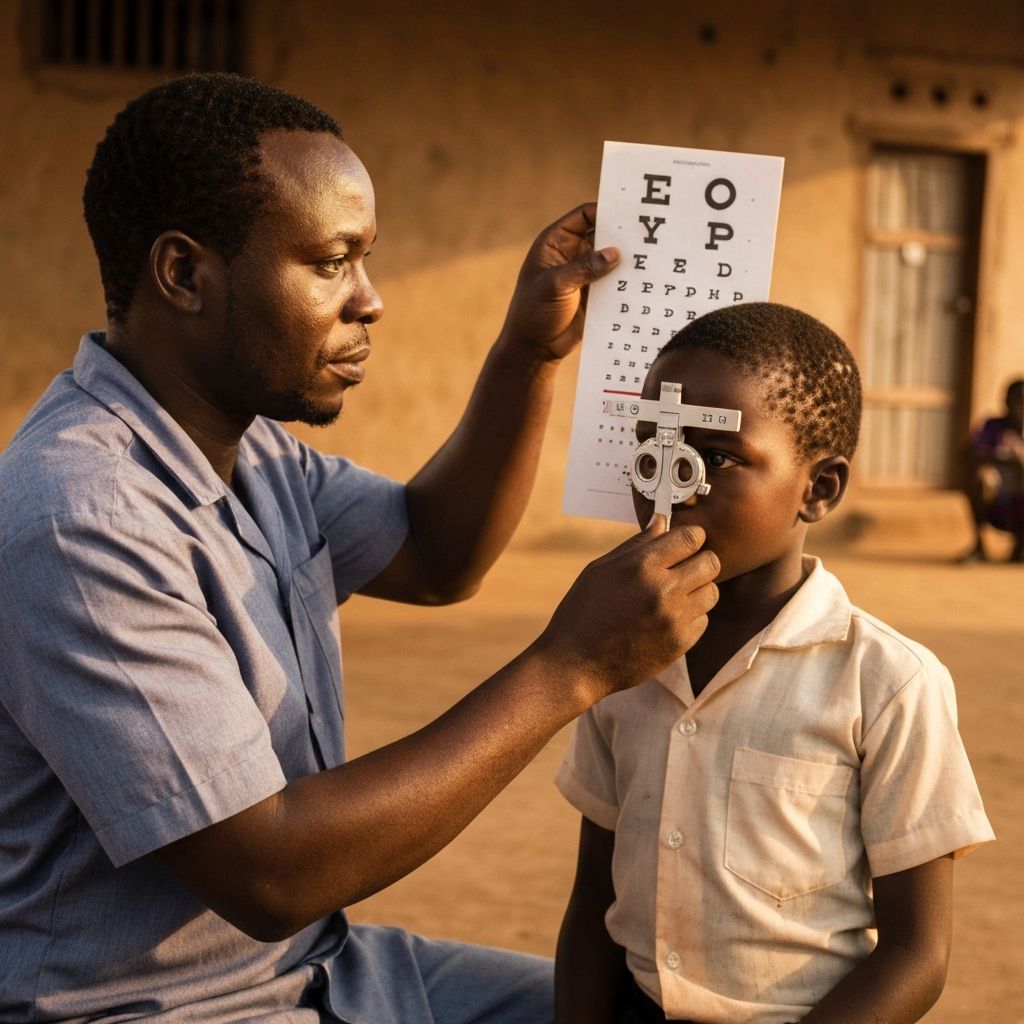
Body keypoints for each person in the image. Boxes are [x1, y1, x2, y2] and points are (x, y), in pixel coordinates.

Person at [0, 74, 722, 1023]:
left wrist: (529, 355)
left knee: (633, 1012)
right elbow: (271, 872)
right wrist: (570, 668)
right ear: (184, 274)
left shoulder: (247, 450)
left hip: (326, 972)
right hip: (154, 1007)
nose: (370, 301)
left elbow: (436, 552)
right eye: (332, 262)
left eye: (366, 261)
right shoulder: (81, 513)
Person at [554, 303, 995, 1024]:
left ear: (818, 488)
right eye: (652, 451)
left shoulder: (886, 683)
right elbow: (590, 909)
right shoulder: (614, 660)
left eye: (715, 458)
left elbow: (917, 956)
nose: (675, 486)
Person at [960, 377, 1024, 563]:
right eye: (1017, 401)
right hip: (1000, 506)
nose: (1021, 407)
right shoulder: (993, 427)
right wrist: (1005, 460)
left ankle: (1020, 547)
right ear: (1006, 402)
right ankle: (979, 546)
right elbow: (969, 453)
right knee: (978, 478)